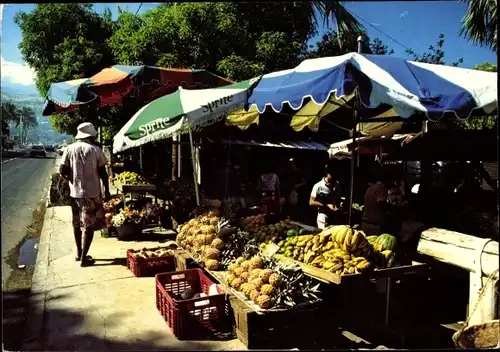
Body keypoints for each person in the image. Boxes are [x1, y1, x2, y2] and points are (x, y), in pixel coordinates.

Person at [59, 122, 110, 267]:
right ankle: (84, 258)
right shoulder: (95, 150)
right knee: (88, 226)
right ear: (91, 136)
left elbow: (63, 170)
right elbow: (102, 173)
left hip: (74, 193)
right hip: (91, 193)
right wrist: (107, 190)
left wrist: (73, 179)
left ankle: (78, 253)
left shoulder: (69, 149)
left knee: (77, 223)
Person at [310, 164, 341, 229]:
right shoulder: (318, 186)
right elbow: (311, 202)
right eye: (332, 174)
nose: (334, 176)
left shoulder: (337, 184)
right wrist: (326, 205)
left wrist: (340, 204)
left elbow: (338, 197)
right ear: (327, 173)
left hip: (335, 216)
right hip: (323, 216)